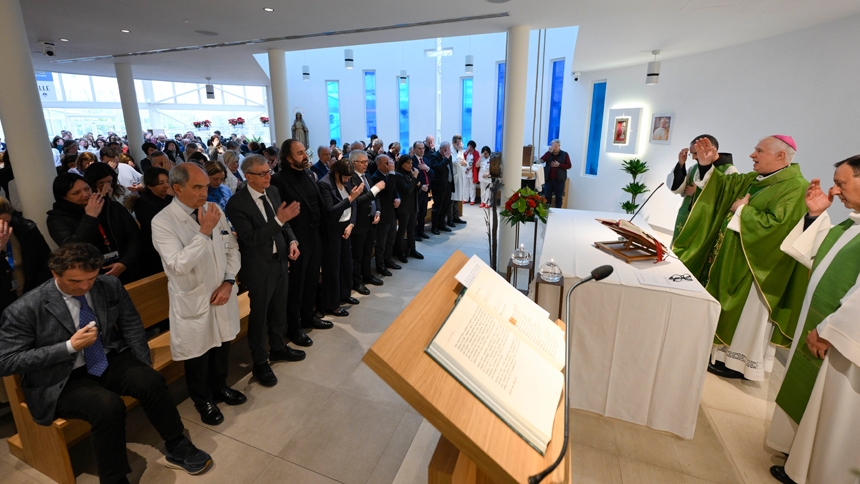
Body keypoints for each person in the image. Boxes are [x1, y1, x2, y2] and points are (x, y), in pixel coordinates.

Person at [0, 243, 214, 482]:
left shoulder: (108, 285)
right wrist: (69, 346)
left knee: (150, 380)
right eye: (74, 281)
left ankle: (177, 445)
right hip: (61, 377)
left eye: (90, 278)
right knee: (107, 406)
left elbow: (131, 323)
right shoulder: (26, 308)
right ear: (55, 274)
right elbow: (6, 361)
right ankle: (114, 477)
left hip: (106, 357)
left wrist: (142, 362)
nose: (84, 287)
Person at [673, 135, 809, 381]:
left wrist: (742, 211)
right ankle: (720, 355)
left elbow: (779, 226)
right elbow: (724, 185)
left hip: (757, 268)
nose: (752, 155)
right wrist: (705, 165)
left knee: (747, 316)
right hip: (732, 259)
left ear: (780, 156)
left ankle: (739, 364)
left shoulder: (796, 187)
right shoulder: (754, 179)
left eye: (759, 150)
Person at [765, 156, 860, 484]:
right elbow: (812, 254)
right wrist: (816, 216)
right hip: (825, 327)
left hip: (842, 340)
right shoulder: (852, 224)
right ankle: (802, 460)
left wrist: (829, 330)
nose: (835, 189)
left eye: (842, 183)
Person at [151, 163, 246, 426]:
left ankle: (220, 388)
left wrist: (228, 281)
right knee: (198, 354)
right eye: (197, 187)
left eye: (206, 186)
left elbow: (232, 248)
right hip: (193, 297)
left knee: (222, 345)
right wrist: (204, 231)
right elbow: (179, 264)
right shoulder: (162, 222)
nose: (204, 193)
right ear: (177, 188)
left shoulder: (213, 211)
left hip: (221, 292)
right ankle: (202, 399)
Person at [225, 155, 305, 388]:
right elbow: (251, 239)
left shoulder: (273, 192)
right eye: (262, 173)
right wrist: (279, 221)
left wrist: (292, 241)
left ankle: (278, 347)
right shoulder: (237, 204)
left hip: (280, 259)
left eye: (269, 171)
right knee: (259, 316)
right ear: (248, 176)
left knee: (279, 308)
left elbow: (285, 224)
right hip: (258, 265)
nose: (268, 176)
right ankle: (260, 361)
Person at [270, 139, 333, 349]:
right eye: (299, 153)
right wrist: (290, 241)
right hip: (297, 238)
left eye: (305, 152)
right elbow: (279, 215)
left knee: (312, 279)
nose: (305, 156)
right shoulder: (278, 180)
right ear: (288, 158)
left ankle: (308, 316)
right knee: (296, 285)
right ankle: (294, 326)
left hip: (315, 235)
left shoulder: (307, 174)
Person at [47, 173, 141, 284]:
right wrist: (90, 217)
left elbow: (135, 236)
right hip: (91, 277)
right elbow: (72, 248)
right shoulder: (57, 219)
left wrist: (125, 262)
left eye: (87, 189)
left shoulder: (112, 207)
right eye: (76, 193)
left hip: (128, 267)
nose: (85, 194)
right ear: (64, 197)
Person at [666, 135, 737, 242]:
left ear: (711, 149)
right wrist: (681, 164)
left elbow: (727, 198)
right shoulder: (695, 168)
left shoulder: (729, 171)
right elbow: (678, 188)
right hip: (687, 214)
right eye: (692, 154)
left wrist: (698, 192)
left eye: (695, 153)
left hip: (707, 219)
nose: (693, 157)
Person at [317, 158, 362, 316]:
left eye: (349, 178)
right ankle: (332, 303)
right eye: (344, 177)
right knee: (332, 268)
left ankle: (344, 295)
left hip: (345, 227)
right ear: (336, 172)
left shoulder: (346, 182)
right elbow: (330, 210)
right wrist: (350, 198)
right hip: (332, 230)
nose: (347, 180)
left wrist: (351, 224)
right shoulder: (325, 184)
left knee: (346, 265)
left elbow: (354, 204)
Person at [0, 196, 52, 311]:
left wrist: (37, 296)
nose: (3, 227)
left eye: (7, 222)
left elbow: (44, 262)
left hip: (31, 300)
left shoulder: (26, 229)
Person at [348, 149, 384, 294]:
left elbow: (376, 197)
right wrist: (374, 190)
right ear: (353, 163)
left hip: (371, 219)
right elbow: (357, 201)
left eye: (366, 162)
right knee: (357, 253)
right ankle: (357, 282)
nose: (366, 165)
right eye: (362, 162)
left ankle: (367, 275)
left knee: (368, 250)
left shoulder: (366, 176)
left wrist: (378, 211)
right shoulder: (351, 179)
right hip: (359, 221)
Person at [133, 167, 173, 278]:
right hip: (154, 250)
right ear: (150, 186)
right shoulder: (142, 203)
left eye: (168, 181)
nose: (166, 185)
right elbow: (159, 222)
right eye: (161, 183)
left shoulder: (172, 198)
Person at [371, 155, 401, 275]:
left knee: (390, 240)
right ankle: (380, 266)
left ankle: (388, 260)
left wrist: (398, 198)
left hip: (391, 213)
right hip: (382, 214)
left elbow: (394, 190)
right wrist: (393, 171)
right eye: (386, 163)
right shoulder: (376, 177)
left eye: (390, 163)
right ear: (379, 165)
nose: (389, 165)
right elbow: (388, 189)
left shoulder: (389, 175)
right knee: (381, 243)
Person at [393, 155, 424, 263]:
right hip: (404, 207)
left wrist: (418, 184)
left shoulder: (410, 174)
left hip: (413, 205)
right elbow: (407, 190)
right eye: (408, 163)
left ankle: (413, 250)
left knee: (412, 229)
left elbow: (416, 191)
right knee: (402, 230)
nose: (410, 165)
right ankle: (400, 252)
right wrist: (415, 179)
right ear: (402, 164)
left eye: (411, 163)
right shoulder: (398, 175)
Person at [428, 141, 454, 235]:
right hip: (438, 185)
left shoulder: (448, 156)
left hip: (448, 184)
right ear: (441, 149)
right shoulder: (434, 156)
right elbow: (438, 168)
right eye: (446, 150)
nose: (447, 151)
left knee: (446, 206)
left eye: (448, 149)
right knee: (438, 206)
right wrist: (446, 158)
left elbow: (449, 169)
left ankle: (442, 224)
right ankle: (434, 227)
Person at [540, 139, 572, 209]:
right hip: (549, 179)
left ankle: (558, 212)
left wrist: (559, 165)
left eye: (556, 146)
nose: (554, 148)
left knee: (558, 197)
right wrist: (549, 152)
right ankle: (546, 211)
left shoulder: (565, 154)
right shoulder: (548, 154)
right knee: (547, 197)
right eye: (552, 146)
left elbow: (569, 165)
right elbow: (541, 160)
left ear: (559, 146)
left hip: (559, 180)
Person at [412, 141, 433, 239]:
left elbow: (432, 174)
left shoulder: (425, 160)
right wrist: (420, 187)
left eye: (423, 148)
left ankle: (421, 231)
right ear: (414, 150)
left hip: (426, 191)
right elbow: (411, 178)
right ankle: (414, 233)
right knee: (416, 213)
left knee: (423, 213)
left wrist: (427, 168)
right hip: (417, 191)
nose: (422, 150)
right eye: (419, 148)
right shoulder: (411, 161)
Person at [449, 135, 468, 224]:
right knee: (452, 199)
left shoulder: (460, 151)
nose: (459, 144)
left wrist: (465, 164)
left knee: (457, 199)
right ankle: (450, 219)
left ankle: (456, 217)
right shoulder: (450, 150)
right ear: (453, 142)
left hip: (460, 176)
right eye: (457, 143)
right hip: (453, 178)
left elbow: (463, 162)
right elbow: (455, 162)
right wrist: (460, 151)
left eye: (460, 142)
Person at [465, 140, 480, 205]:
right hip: (465, 171)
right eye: (468, 146)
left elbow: (475, 163)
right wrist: (466, 151)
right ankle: (465, 198)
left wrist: (469, 168)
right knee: (466, 185)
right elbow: (462, 159)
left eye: (470, 146)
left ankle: (472, 199)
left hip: (472, 171)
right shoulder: (466, 153)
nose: (469, 147)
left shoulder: (476, 153)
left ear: (473, 147)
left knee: (472, 186)